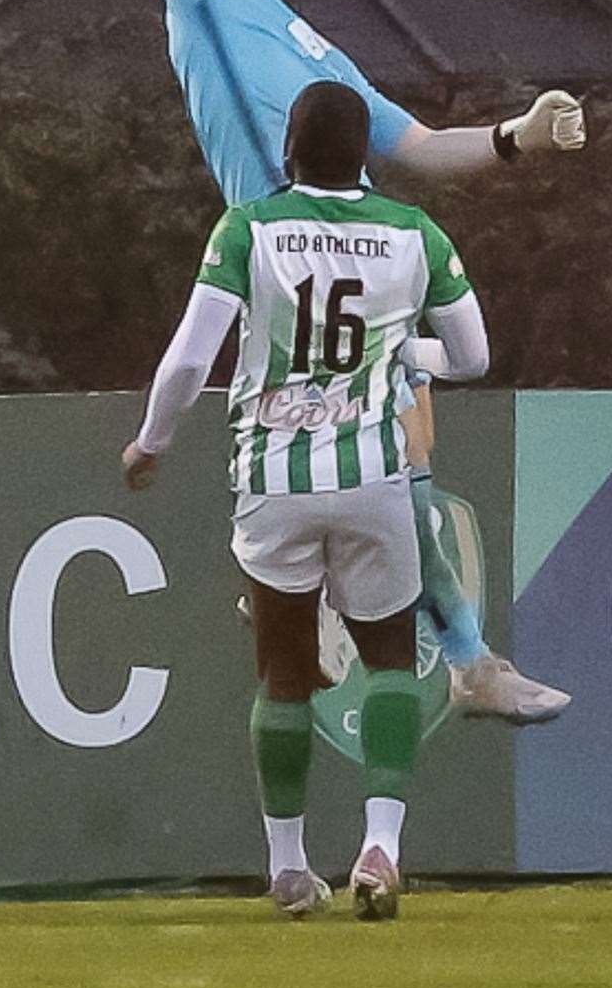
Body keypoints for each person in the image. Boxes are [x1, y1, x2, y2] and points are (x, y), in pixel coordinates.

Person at [86, 0, 569, 724]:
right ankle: (342, 616)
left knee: (409, 470)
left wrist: (516, 137)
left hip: (346, 263)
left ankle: (451, 653)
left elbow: (430, 148)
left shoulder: (318, 54)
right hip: (282, 262)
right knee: (387, 466)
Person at [123, 81, 489, 918]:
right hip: (373, 479)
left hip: (274, 482)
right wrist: (406, 354)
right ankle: (380, 847)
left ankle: (288, 868)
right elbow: (472, 357)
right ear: (365, 153)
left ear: (288, 148)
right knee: (391, 659)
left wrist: (153, 441)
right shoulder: (414, 234)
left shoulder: (248, 229)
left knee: (285, 669)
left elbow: (189, 358)